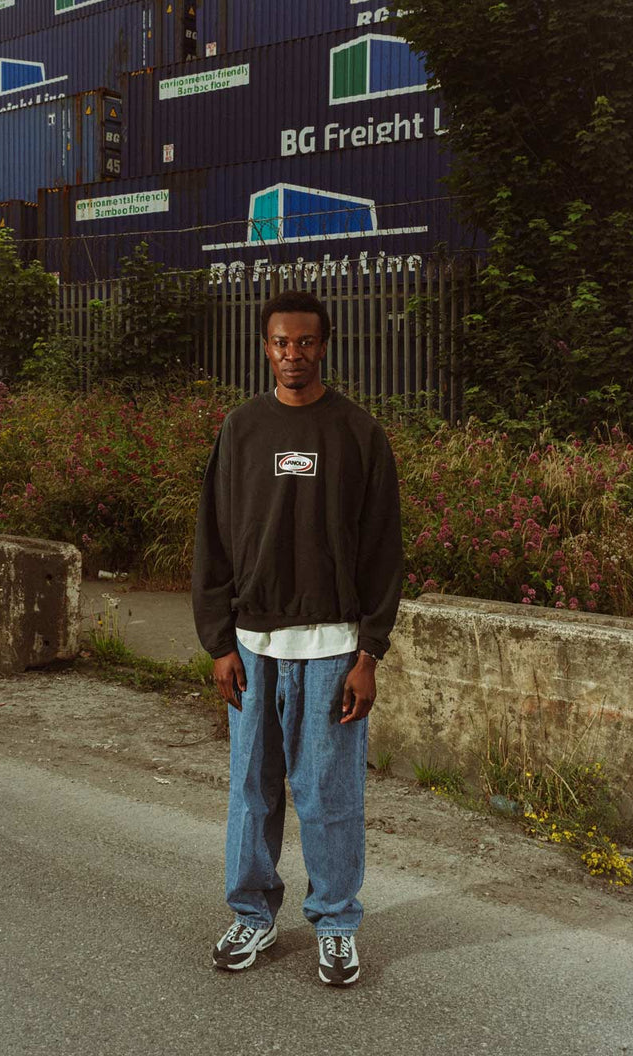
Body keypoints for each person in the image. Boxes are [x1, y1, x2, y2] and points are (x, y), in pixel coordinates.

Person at [191, 289, 403, 987]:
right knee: (253, 792)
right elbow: (212, 542)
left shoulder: (358, 433)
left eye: (305, 343)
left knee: (329, 795)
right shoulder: (241, 429)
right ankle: (251, 914)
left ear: (325, 345)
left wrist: (370, 651)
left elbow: (382, 551)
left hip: (335, 647)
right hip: (253, 647)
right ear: (265, 347)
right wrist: (219, 641)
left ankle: (337, 924)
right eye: (280, 343)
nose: (292, 355)